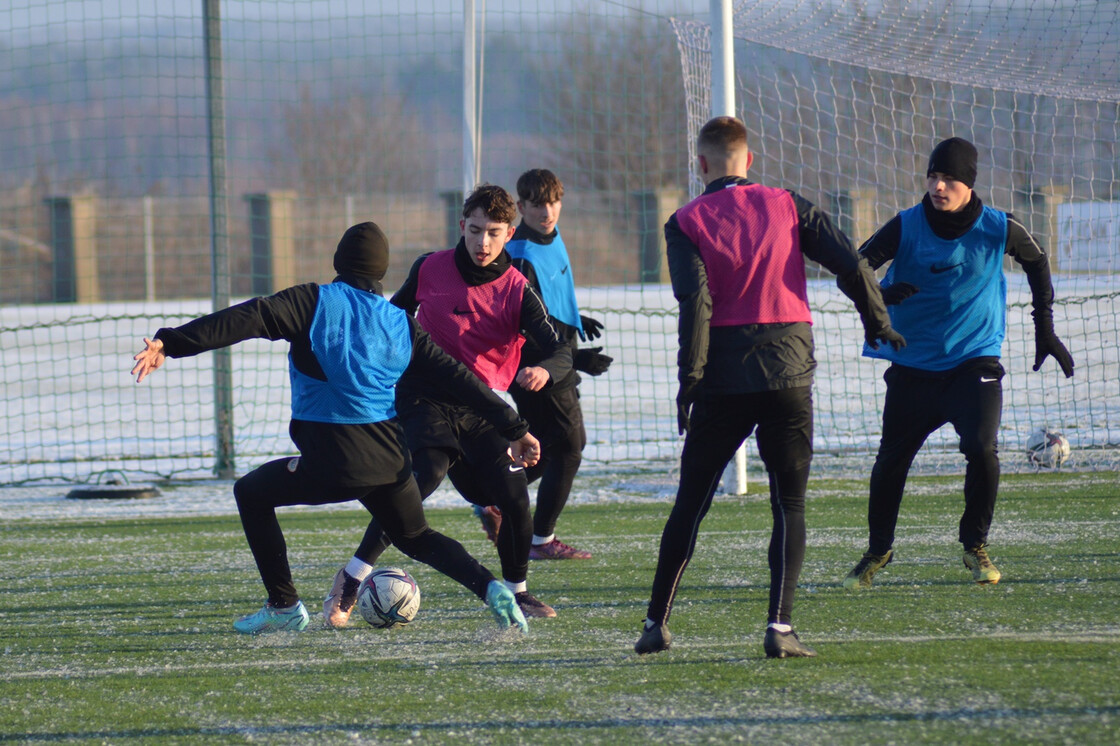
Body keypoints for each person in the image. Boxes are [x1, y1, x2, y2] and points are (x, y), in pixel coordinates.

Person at [131, 221, 533, 635]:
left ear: (339, 261)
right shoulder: (400, 322)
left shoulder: (313, 301)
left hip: (331, 462)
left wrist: (170, 343)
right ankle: (492, 588)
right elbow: (461, 379)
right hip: (391, 462)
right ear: (381, 271)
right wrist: (516, 426)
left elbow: (247, 317)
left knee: (250, 493)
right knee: (417, 536)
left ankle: (284, 606)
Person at [634, 116, 905, 659]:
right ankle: (779, 628)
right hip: (788, 369)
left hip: (723, 375)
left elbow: (696, 303)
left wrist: (690, 379)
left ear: (701, 164)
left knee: (690, 502)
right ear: (750, 161)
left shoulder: (684, 221)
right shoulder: (787, 203)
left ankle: (655, 624)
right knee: (789, 504)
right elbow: (851, 263)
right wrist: (877, 322)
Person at [323, 184, 573, 627]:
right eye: (475, 230)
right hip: (424, 396)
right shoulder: (429, 268)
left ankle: (519, 592)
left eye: (494, 233)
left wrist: (546, 371)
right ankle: (352, 577)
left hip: (481, 407)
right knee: (424, 476)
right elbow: (391, 319)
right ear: (462, 226)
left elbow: (559, 350)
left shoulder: (517, 287)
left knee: (513, 497)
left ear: (509, 232)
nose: (483, 242)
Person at [841, 137, 1075, 590]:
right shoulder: (905, 225)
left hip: (974, 362)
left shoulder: (998, 226)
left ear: (968, 183)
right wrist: (880, 294)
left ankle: (975, 546)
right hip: (913, 365)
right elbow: (854, 267)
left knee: (982, 449)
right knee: (890, 463)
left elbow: (1038, 262)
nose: (938, 185)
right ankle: (878, 551)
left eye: (948, 178)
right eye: (932, 175)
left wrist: (1044, 328)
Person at [474, 168, 612, 560]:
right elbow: (525, 322)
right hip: (537, 366)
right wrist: (576, 358)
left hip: (554, 357)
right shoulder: (522, 255)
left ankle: (495, 500)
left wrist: (574, 319)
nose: (546, 211)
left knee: (552, 447)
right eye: (536, 204)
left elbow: (549, 301)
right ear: (521, 207)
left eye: (552, 202)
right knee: (568, 447)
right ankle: (540, 540)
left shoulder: (550, 238)